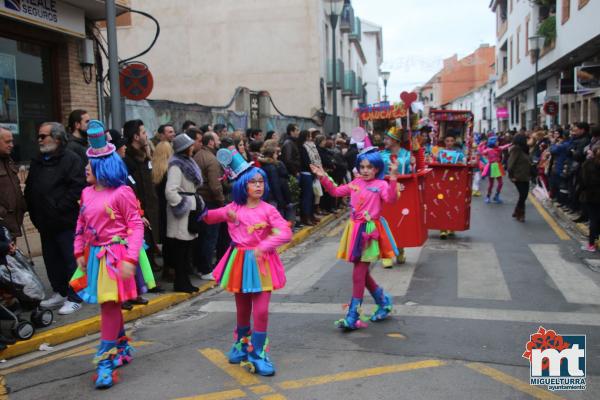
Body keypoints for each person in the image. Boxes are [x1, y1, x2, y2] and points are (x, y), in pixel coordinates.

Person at [70, 120, 153, 388]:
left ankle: (105, 361)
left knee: (108, 304)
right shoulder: (85, 192)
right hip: (94, 257)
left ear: (102, 166)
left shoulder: (122, 193)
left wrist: (130, 258)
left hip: (116, 257)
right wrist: (78, 252)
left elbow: (136, 225)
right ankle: (121, 346)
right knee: (111, 303)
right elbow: (81, 225)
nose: (85, 168)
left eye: (89, 164)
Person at [203, 148, 292, 376]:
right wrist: (202, 209)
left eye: (261, 181)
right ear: (243, 186)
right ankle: (242, 344)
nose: (259, 186)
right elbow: (209, 217)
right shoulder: (233, 208)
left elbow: (285, 232)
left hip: (262, 263)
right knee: (242, 309)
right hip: (240, 262)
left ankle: (258, 352)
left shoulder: (269, 209)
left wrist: (264, 246)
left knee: (260, 311)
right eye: (253, 182)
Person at [310, 147, 401, 330]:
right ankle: (383, 302)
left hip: (368, 231)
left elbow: (391, 200)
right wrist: (322, 176)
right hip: (354, 230)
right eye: (362, 166)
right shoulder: (355, 183)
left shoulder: (381, 184)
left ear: (377, 168)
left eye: (370, 167)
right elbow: (335, 192)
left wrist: (393, 178)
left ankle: (353, 315)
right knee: (362, 273)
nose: (365, 170)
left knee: (358, 274)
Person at [25, 122, 85, 315]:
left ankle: (75, 296)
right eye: (39, 136)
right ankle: (60, 291)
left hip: (65, 221)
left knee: (70, 260)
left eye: (44, 136)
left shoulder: (72, 159)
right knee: (51, 260)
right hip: (44, 222)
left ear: (57, 139)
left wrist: (57, 208)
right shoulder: (38, 159)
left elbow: (77, 188)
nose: (39, 140)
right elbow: (31, 186)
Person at [123, 120, 161, 281]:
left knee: (151, 243)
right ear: (136, 136)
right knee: (142, 244)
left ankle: (150, 277)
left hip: (150, 207)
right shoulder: (128, 159)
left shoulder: (145, 156)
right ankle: (144, 280)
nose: (146, 136)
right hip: (139, 209)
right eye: (143, 132)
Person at [165, 134, 205, 293]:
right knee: (181, 249)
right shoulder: (176, 165)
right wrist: (181, 205)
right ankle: (180, 281)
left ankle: (184, 280)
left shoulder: (188, 162)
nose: (193, 146)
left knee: (187, 247)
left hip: (190, 208)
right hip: (182, 212)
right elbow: (170, 190)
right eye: (190, 145)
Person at [194, 131, 224, 280]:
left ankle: (200, 267)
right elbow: (215, 185)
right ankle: (206, 269)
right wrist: (222, 201)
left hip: (199, 200)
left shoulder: (198, 155)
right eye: (217, 139)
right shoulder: (212, 159)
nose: (219, 142)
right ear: (211, 142)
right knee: (210, 236)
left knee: (202, 236)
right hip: (210, 201)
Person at [435, 134, 466, 240]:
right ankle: (442, 229)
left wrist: (460, 163)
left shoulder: (459, 154)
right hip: (442, 182)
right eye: (447, 141)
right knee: (442, 205)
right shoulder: (440, 153)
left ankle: (451, 227)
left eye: (451, 141)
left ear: (454, 142)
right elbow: (437, 164)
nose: (449, 143)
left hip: (454, 182)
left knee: (453, 204)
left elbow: (463, 165)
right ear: (444, 142)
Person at [151, 142, 174, 281]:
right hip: (167, 208)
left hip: (157, 209)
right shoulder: (170, 170)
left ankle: (166, 268)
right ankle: (169, 268)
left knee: (164, 241)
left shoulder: (153, 169)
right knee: (170, 241)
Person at [0, 127, 26, 239]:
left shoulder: (9, 160)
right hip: (2, 226)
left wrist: (23, 204)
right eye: (7, 142)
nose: (12, 145)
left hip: (12, 225)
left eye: (12, 141)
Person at [478, 136, 511, 204]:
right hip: (491, 166)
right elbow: (480, 152)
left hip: (497, 166)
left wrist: (512, 143)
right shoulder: (488, 150)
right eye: (496, 141)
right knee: (491, 184)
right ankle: (488, 196)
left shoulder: (498, 148)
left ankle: (496, 196)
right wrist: (481, 144)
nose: (498, 142)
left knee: (500, 183)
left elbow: (505, 146)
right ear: (493, 142)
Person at [507, 133, 531, 222]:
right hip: (518, 176)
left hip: (526, 176)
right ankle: (521, 214)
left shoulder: (524, 149)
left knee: (524, 196)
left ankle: (517, 211)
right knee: (523, 195)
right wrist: (511, 176)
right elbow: (510, 164)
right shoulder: (515, 149)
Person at [580, 147, 600, 252]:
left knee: (593, 219)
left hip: (591, 195)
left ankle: (591, 244)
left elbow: (583, 181)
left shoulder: (588, 164)